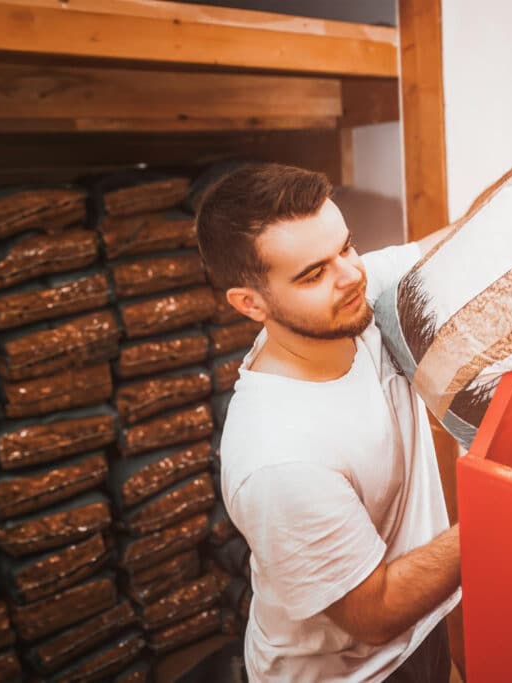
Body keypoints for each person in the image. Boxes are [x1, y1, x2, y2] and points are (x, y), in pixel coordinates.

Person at [196, 164, 460, 682]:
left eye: (347, 246)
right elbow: (376, 613)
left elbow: (452, 247)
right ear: (251, 304)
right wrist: (505, 514)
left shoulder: (351, 299)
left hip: (424, 630)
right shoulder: (279, 458)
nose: (350, 274)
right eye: (313, 273)